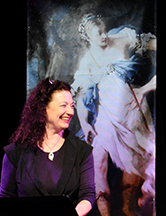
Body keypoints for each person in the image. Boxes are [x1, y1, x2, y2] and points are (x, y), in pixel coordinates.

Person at [72, 13, 156, 216]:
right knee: (99, 164)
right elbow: (80, 97)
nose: (103, 36)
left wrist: (143, 88)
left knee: (147, 157)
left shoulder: (119, 38)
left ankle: (145, 199)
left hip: (133, 108)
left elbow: (152, 44)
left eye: (103, 30)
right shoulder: (88, 62)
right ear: (89, 38)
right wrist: (85, 124)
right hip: (107, 114)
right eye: (97, 34)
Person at [0, 78, 95, 216]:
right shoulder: (15, 152)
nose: (70, 112)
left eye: (72, 106)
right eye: (64, 105)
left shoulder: (82, 151)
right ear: (43, 107)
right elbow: (6, 198)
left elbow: (88, 195)